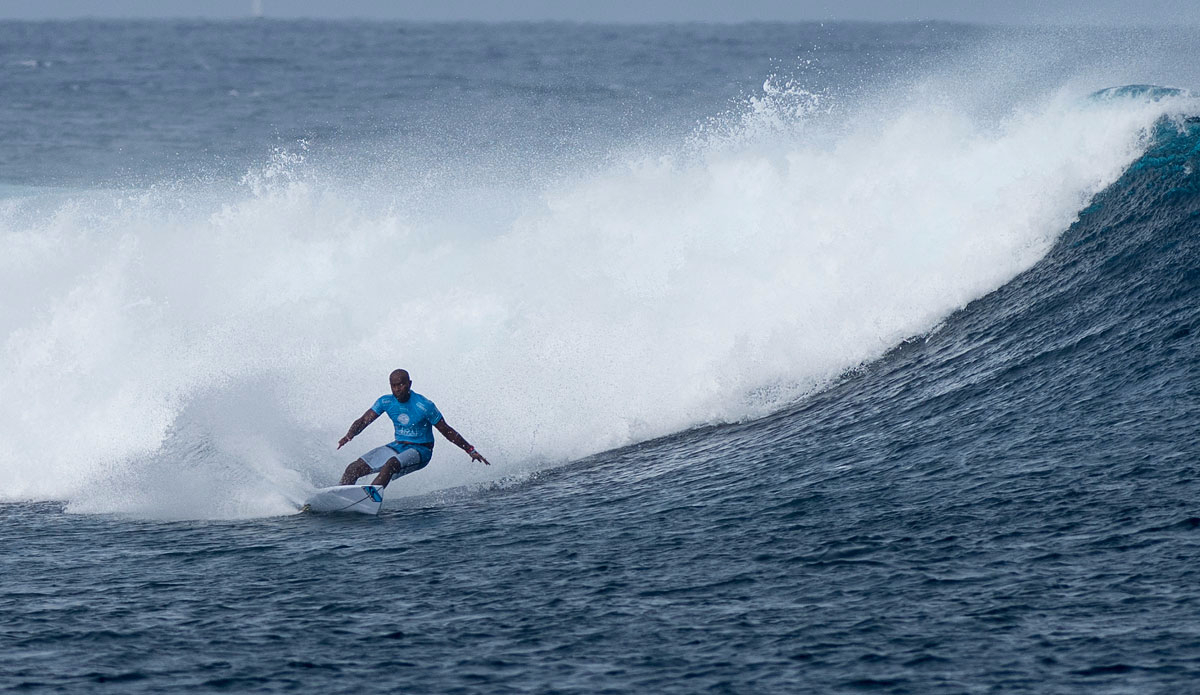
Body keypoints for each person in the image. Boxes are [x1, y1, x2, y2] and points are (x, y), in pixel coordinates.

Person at [337, 368, 489, 488]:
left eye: (401, 384)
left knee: (391, 464)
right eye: (394, 385)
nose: (398, 389)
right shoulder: (385, 401)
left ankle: (369, 498)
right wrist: (349, 435)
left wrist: (470, 450)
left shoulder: (424, 405)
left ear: (409, 384)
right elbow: (364, 420)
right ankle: (339, 496)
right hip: (398, 445)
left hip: (421, 450)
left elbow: (447, 431)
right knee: (353, 468)